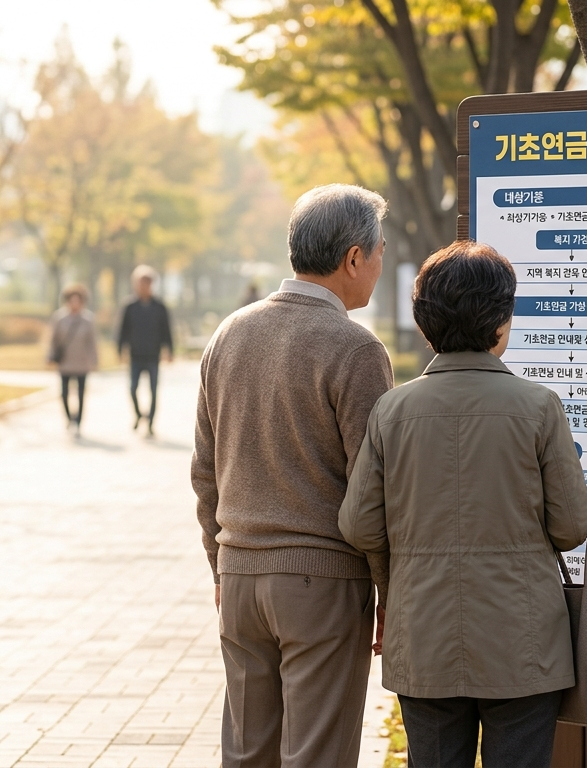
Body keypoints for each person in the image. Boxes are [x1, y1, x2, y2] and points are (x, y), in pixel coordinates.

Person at [339, 241, 587, 768]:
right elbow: (571, 526)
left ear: (425, 325)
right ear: (501, 320)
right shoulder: (538, 408)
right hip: (524, 644)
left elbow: (360, 526)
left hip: (424, 638)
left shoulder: (392, 411)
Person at [192, 184, 393, 767]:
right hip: (323, 585)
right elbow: (374, 490)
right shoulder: (355, 349)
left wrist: (219, 565)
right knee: (318, 756)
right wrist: (386, 590)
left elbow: (205, 473)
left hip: (239, 577)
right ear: (353, 257)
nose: (380, 264)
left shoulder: (227, 336)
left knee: (247, 755)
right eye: (378, 251)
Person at [117, 266, 173, 436]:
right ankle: (139, 415)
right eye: (141, 283)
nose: (144, 286)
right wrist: (120, 349)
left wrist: (169, 350)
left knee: (153, 391)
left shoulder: (160, 307)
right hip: (135, 355)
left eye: (147, 283)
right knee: (133, 388)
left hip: (153, 355)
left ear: (152, 284)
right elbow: (122, 330)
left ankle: (150, 424)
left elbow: (166, 330)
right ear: (135, 284)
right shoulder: (129, 306)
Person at [49, 284, 98, 435]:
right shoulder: (59, 318)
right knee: (64, 393)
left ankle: (78, 422)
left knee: (81, 394)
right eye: (72, 300)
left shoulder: (88, 319)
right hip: (65, 362)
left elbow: (92, 342)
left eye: (78, 300)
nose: (75, 304)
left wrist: (94, 360)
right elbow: (54, 340)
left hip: (81, 362)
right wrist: (49, 356)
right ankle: (69, 418)